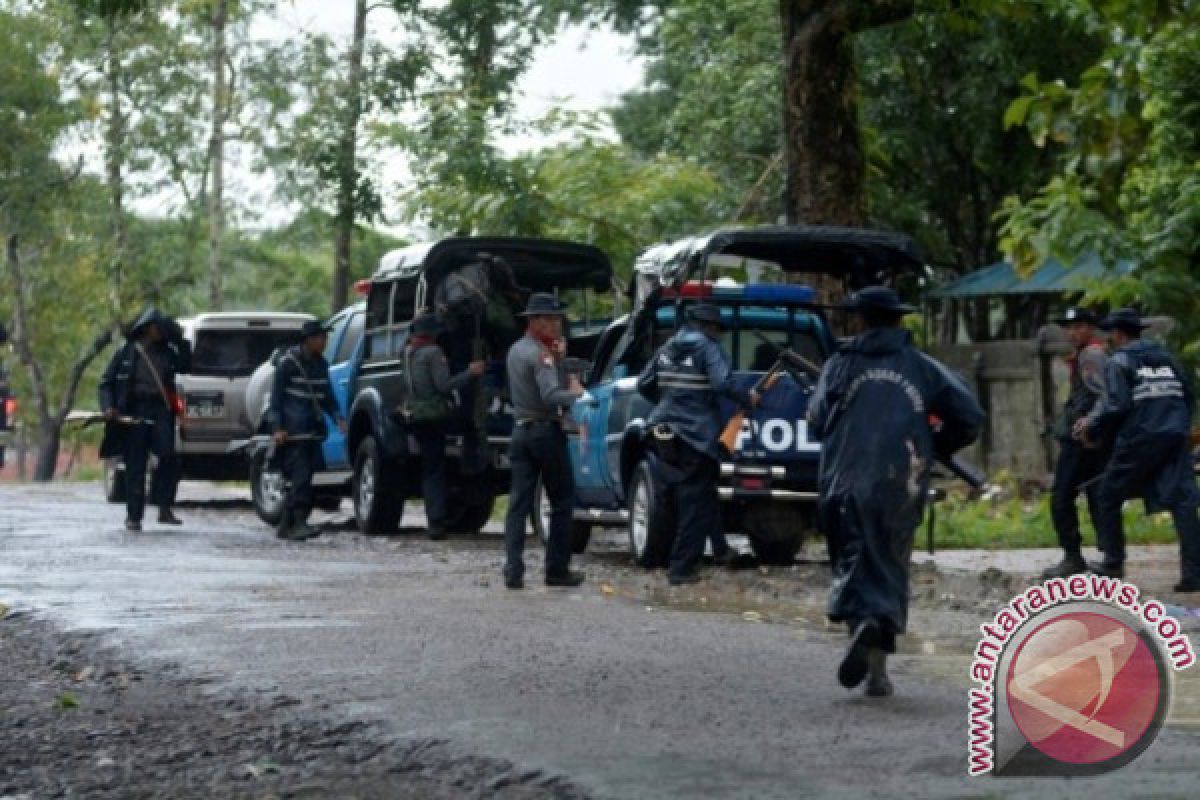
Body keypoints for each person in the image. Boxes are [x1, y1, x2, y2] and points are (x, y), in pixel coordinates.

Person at [807, 287, 984, 697]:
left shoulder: (838, 365)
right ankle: (878, 667)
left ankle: (865, 631)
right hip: (901, 479)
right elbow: (970, 417)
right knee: (889, 561)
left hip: (843, 477)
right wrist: (937, 441)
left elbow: (816, 420)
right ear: (899, 320)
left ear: (860, 320)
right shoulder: (923, 368)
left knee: (853, 558)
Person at [1073, 309, 1200, 592]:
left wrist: (1092, 424)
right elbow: (1188, 395)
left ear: (1118, 334)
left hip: (1141, 438)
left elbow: (1116, 404)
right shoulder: (1167, 358)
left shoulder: (1119, 361)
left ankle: (1113, 563)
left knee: (1107, 493)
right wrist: (1179, 426)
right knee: (1183, 501)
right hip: (1176, 434)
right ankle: (1193, 575)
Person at [636, 303, 759, 585]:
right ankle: (681, 569)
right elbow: (722, 384)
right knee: (695, 501)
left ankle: (717, 550)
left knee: (684, 497)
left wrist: (670, 402)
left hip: (663, 431)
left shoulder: (668, 347)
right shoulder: (709, 347)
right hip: (696, 436)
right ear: (712, 327)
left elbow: (644, 383)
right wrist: (747, 398)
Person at [502, 293, 585, 589]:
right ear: (535, 321)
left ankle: (513, 568)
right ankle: (556, 570)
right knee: (562, 501)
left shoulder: (516, 350)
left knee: (518, 504)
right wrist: (578, 396)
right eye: (551, 319)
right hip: (545, 432)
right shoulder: (541, 354)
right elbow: (550, 395)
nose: (557, 324)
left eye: (558, 319)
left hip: (521, 430)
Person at [98, 308, 192, 532]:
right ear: (148, 328)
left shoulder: (169, 352)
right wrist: (109, 407)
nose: (159, 332)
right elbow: (106, 382)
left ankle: (164, 506)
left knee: (168, 458)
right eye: (157, 328)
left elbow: (185, 366)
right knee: (135, 464)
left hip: (160, 409)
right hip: (134, 410)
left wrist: (181, 341)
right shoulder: (126, 353)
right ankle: (134, 516)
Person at [404, 312, 485, 540]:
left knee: (430, 468)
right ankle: (437, 522)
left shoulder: (408, 352)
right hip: (435, 417)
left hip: (417, 417)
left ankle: (436, 518)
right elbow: (445, 386)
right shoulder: (433, 353)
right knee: (437, 469)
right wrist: (471, 372)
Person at [1042, 308, 1111, 579]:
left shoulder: (1091, 356)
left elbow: (1102, 395)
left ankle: (1073, 557)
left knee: (1061, 497)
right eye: (1069, 328)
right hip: (1091, 437)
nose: (1073, 332)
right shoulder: (1090, 355)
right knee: (1097, 495)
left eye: (1079, 326)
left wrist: (1088, 424)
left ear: (1091, 328)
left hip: (1082, 440)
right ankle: (1110, 556)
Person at [267, 319, 346, 541]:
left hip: (312, 431)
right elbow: (276, 400)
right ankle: (299, 524)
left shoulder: (322, 365)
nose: (324, 342)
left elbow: (327, 396)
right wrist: (278, 428)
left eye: (325, 337)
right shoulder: (287, 364)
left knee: (308, 477)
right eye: (320, 337)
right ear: (308, 340)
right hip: (293, 433)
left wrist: (338, 417)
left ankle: (285, 526)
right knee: (300, 478)